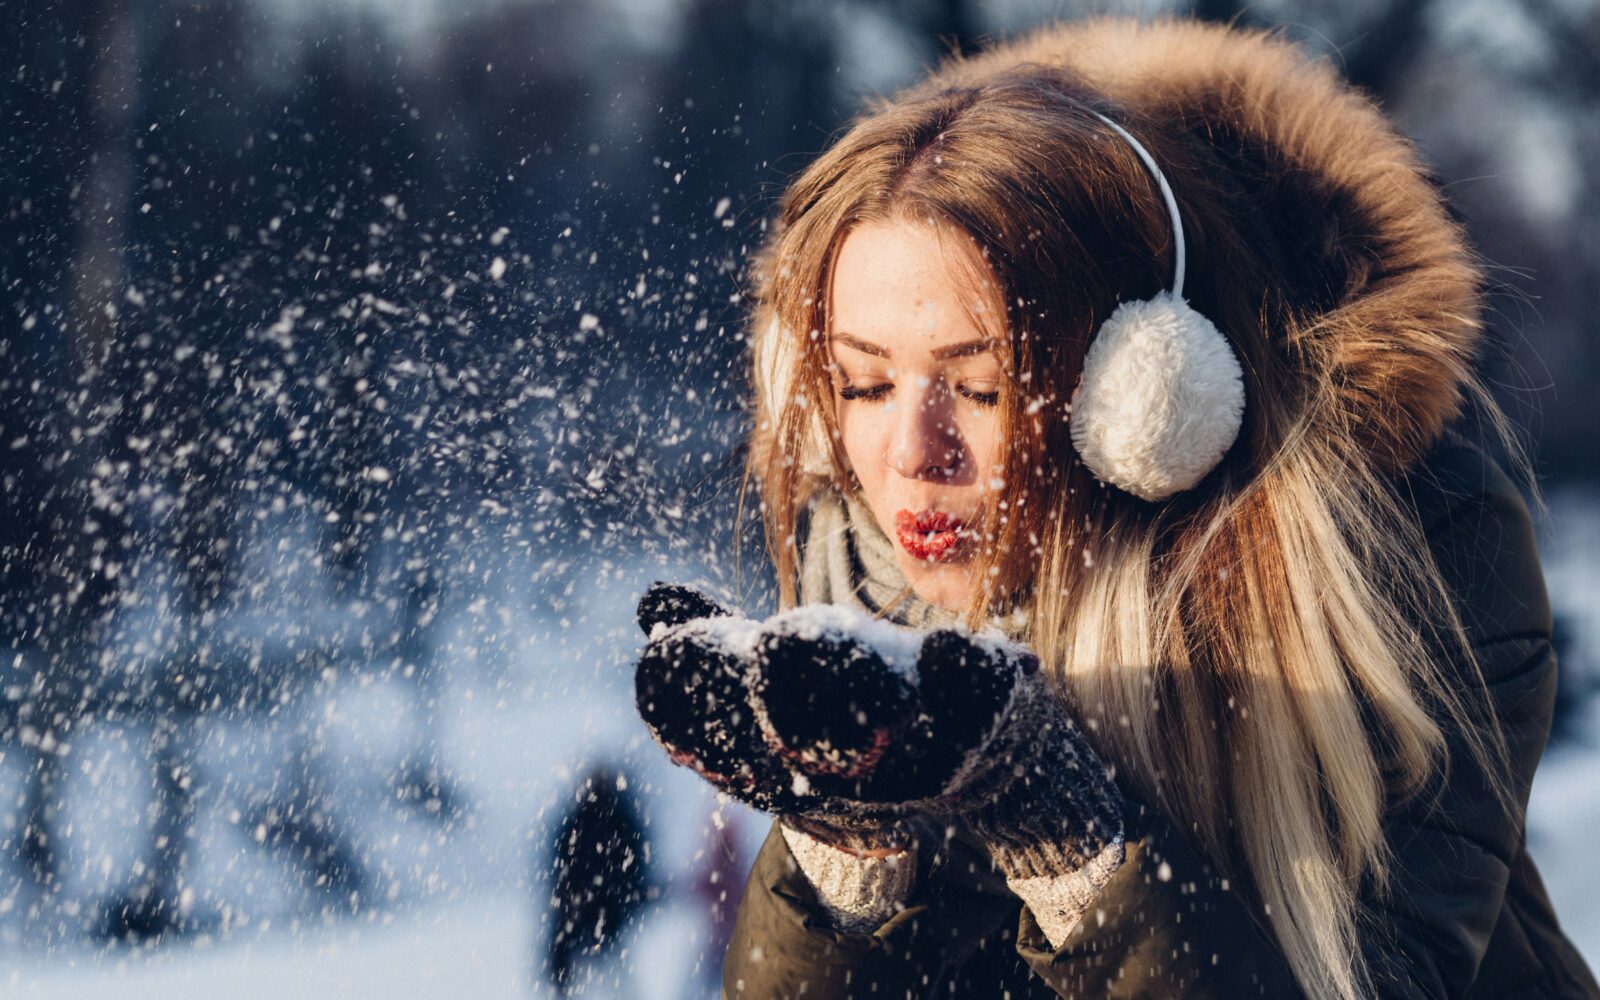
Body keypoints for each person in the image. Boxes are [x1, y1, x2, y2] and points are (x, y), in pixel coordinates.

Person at [631, 15, 1600, 999]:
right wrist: (843, 858)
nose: (912, 458)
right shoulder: (865, 581)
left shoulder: (1410, 551)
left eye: (979, 386)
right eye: (863, 385)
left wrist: (1071, 850)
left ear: (1141, 394)